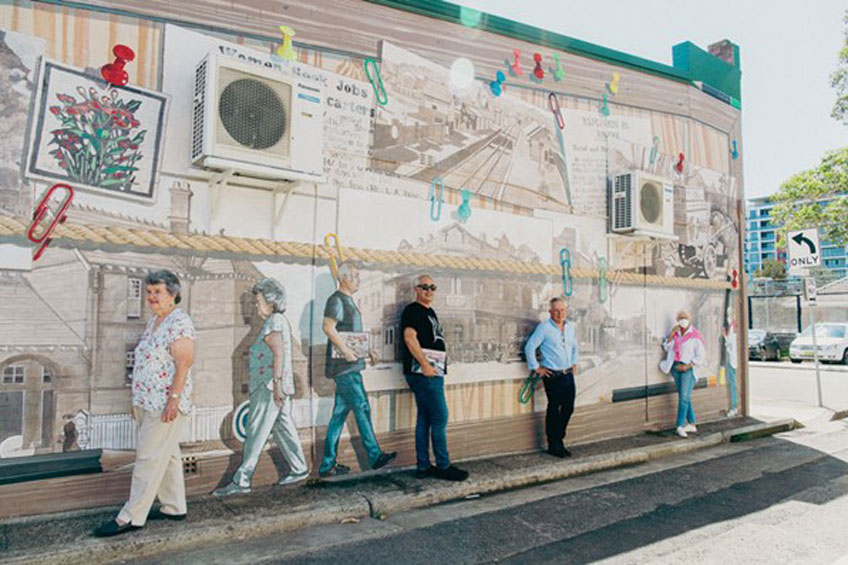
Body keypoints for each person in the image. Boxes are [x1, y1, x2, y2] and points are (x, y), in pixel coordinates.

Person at [94, 270, 195, 537]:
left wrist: (173, 400)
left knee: (147, 459)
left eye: (157, 292)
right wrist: (136, 399)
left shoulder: (179, 323)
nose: (151, 297)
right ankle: (175, 507)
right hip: (147, 401)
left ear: (173, 295)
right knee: (167, 456)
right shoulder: (155, 322)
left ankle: (131, 516)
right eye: (149, 293)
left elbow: (184, 364)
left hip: (164, 403)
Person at [213, 278, 309, 496]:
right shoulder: (276, 321)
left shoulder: (275, 321)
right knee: (283, 429)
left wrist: (275, 385)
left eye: (258, 301)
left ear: (271, 301)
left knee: (256, 431)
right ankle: (300, 468)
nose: (256, 306)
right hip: (275, 386)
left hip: (268, 387)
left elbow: (278, 354)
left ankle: (242, 480)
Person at [318, 263, 396, 477]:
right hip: (346, 367)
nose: (359, 280)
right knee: (362, 406)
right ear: (344, 278)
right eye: (355, 276)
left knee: (339, 414)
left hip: (350, 364)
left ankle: (327, 465)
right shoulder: (337, 300)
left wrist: (368, 350)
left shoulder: (348, 301)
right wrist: (345, 352)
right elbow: (328, 327)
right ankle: (374, 455)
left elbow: (352, 335)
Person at [401, 274, 468, 482]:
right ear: (416, 289)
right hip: (424, 372)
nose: (429, 291)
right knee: (440, 416)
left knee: (425, 418)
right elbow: (409, 338)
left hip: (431, 371)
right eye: (424, 287)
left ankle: (423, 466)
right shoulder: (413, 310)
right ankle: (443, 466)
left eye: (432, 287)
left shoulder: (430, 311)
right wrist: (424, 364)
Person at [524, 297, 579, 458]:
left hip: (568, 374)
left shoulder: (571, 327)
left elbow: (574, 346)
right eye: (555, 310)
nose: (559, 313)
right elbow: (530, 347)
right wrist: (536, 368)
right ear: (550, 312)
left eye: (562, 310)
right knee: (554, 408)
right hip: (552, 375)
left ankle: (558, 439)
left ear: (566, 310)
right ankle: (554, 444)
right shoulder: (544, 328)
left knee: (568, 408)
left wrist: (574, 362)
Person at [662, 310, 706, 438]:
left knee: (683, 399)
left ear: (690, 319)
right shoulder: (676, 334)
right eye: (680, 318)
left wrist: (688, 366)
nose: (683, 319)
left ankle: (680, 425)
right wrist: (672, 333)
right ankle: (692, 424)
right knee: (685, 397)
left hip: (688, 369)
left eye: (685, 317)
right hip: (676, 367)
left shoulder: (695, 335)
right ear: (677, 319)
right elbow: (666, 347)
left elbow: (701, 355)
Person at [724, 318, 739, 417]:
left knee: (732, 383)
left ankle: (734, 407)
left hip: (731, 359)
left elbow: (730, 344)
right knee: (733, 383)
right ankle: (734, 407)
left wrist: (725, 337)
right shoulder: (733, 326)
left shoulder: (732, 327)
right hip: (732, 359)